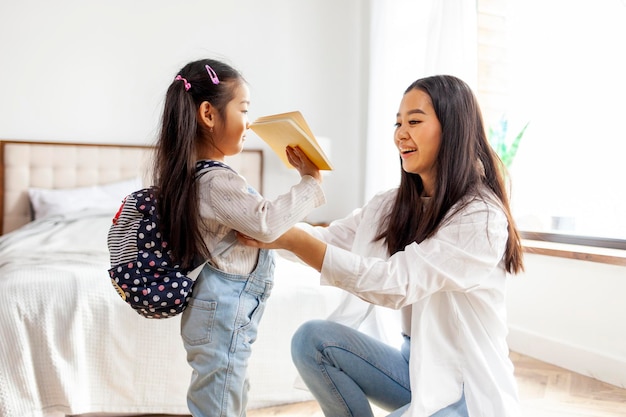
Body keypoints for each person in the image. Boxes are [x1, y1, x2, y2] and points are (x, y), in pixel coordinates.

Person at [239, 75, 524, 417]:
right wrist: (264, 223)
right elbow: (329, 240)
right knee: (311, 340)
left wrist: (295, 240)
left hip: (466, 386)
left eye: (414, 122)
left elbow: (395, 283)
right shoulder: (392, 204)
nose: (400, 134)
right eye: (398, 123)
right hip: (413, 366)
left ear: (453, 129)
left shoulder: (480, 216)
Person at [153, 58, 325, 417]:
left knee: (226, 392)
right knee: (220, 400)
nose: (250, 123)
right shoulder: (217, 181)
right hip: (223, 310)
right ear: (208, 114)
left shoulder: (192, 176)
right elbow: (266, 223)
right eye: (244, 109)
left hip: (219, 310)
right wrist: (310, 183)